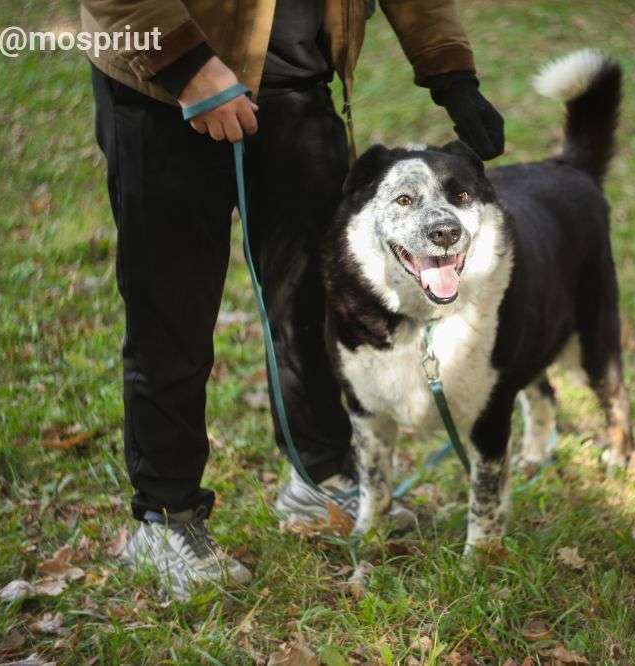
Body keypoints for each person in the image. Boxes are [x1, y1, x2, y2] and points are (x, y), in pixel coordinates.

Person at [83, 0, 505, 600]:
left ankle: (321, 477)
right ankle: (165, 519)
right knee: (170, 313)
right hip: (163, 90)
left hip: (298, 92)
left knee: (315, 300)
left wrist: (450, 74)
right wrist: (187, 67)